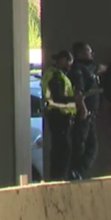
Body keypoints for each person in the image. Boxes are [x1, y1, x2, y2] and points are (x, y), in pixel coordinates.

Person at [40, 50, 79, 181]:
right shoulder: (56, 76)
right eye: (68, 62)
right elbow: (58, 98)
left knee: (60, 148)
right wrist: (75, 99)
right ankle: (59, 177)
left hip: (57, 115)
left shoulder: (53, 74)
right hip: (59, 116)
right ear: (62, 60)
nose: (69, 66)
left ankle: (58, 176)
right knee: (62, 149)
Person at [68, 42, 105, 179]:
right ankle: (75, 172)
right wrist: (83, 110)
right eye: (89, 51)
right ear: (80, 53)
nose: (92, 54)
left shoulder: (89, 68)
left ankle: (78, 173)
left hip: (90, 116)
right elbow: (79, 92)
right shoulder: (78, 70)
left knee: (90, 147)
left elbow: (101, 68)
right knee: (81, 146)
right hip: (83, 116)